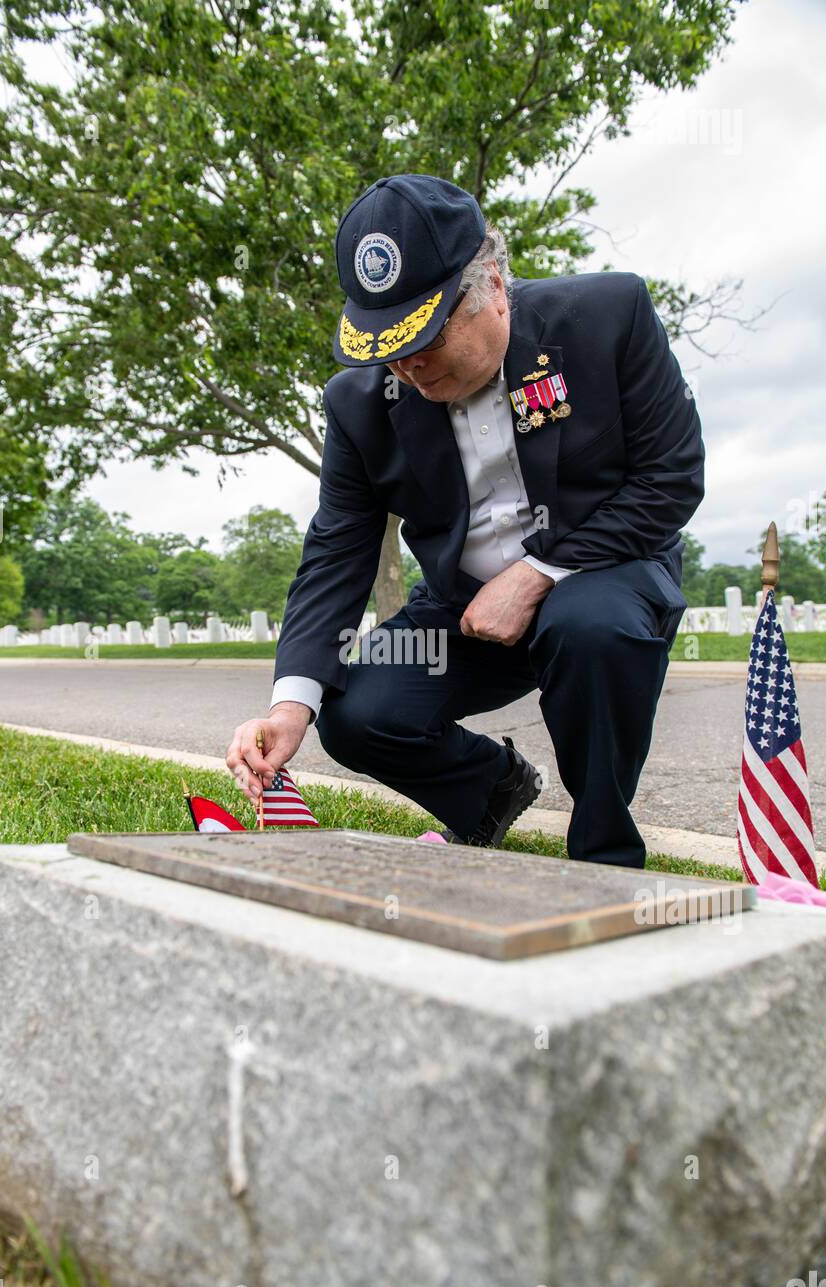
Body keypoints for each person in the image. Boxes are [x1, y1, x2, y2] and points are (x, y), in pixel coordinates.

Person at [226, 173, 705, 867]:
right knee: (357, 713)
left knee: (587, 623)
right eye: (385, 340)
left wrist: (537, 576)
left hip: (607, 574)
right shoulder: (357, 404)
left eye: (425, 332)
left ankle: (605, 857)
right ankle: (491, 793)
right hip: (465, 611)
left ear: (493, 288)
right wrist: (287, 708)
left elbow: (672, 478)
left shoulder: (610, 315)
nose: (409, 363)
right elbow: (337, 552)